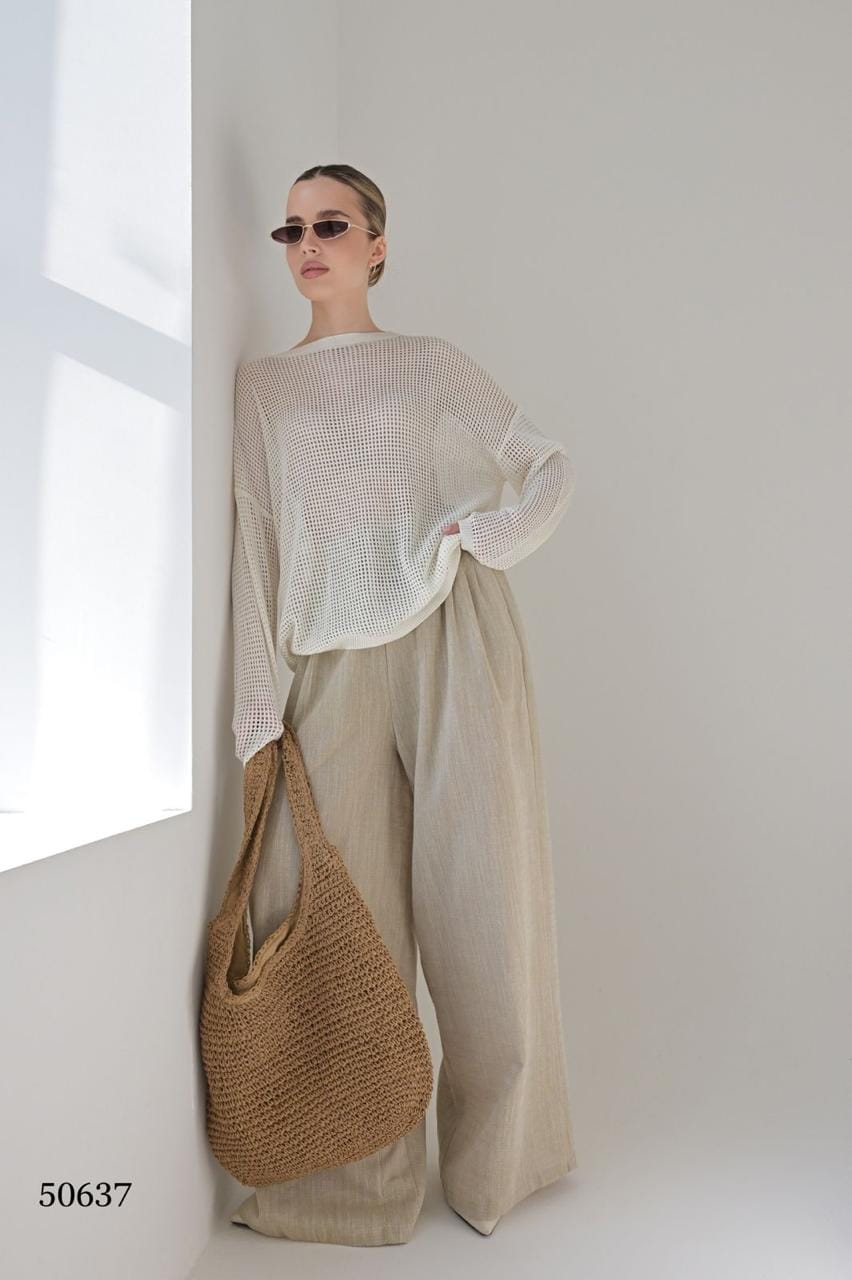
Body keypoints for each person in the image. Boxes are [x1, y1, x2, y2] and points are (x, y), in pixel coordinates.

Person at [228, 162, 580, 1246]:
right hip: (329, 660)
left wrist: (486, 536)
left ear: (377, 245)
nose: (308, 245)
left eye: (330, 225)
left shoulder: (426, 363)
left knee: (484, 901)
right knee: (342, 919)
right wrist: (258, 707)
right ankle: (352, 1185)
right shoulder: (262, 390)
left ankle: (498, 1165)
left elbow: (544, 466)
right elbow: (256, 541)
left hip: (451, 635)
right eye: (292, 229)